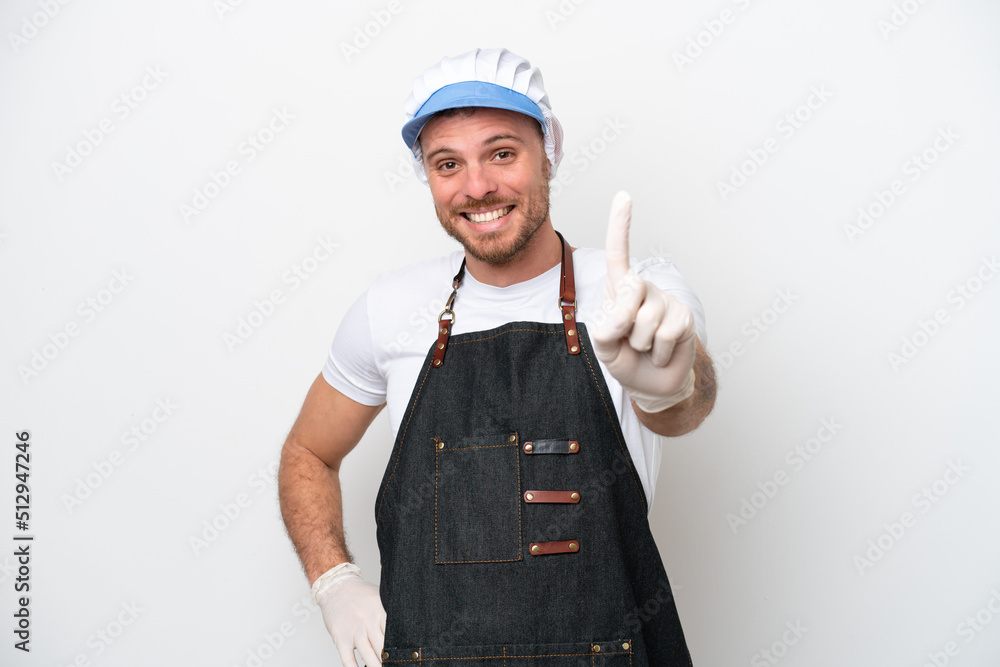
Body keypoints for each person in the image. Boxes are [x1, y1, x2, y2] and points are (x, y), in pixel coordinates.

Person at [278, 47, 717, 666]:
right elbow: (307, 452)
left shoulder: (634, 292)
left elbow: (688, 405)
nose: (477, 186)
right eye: (447, 163)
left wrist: (667, 389)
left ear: (549, 154)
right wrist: (333, 583)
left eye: (502, 153)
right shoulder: (389, 308)